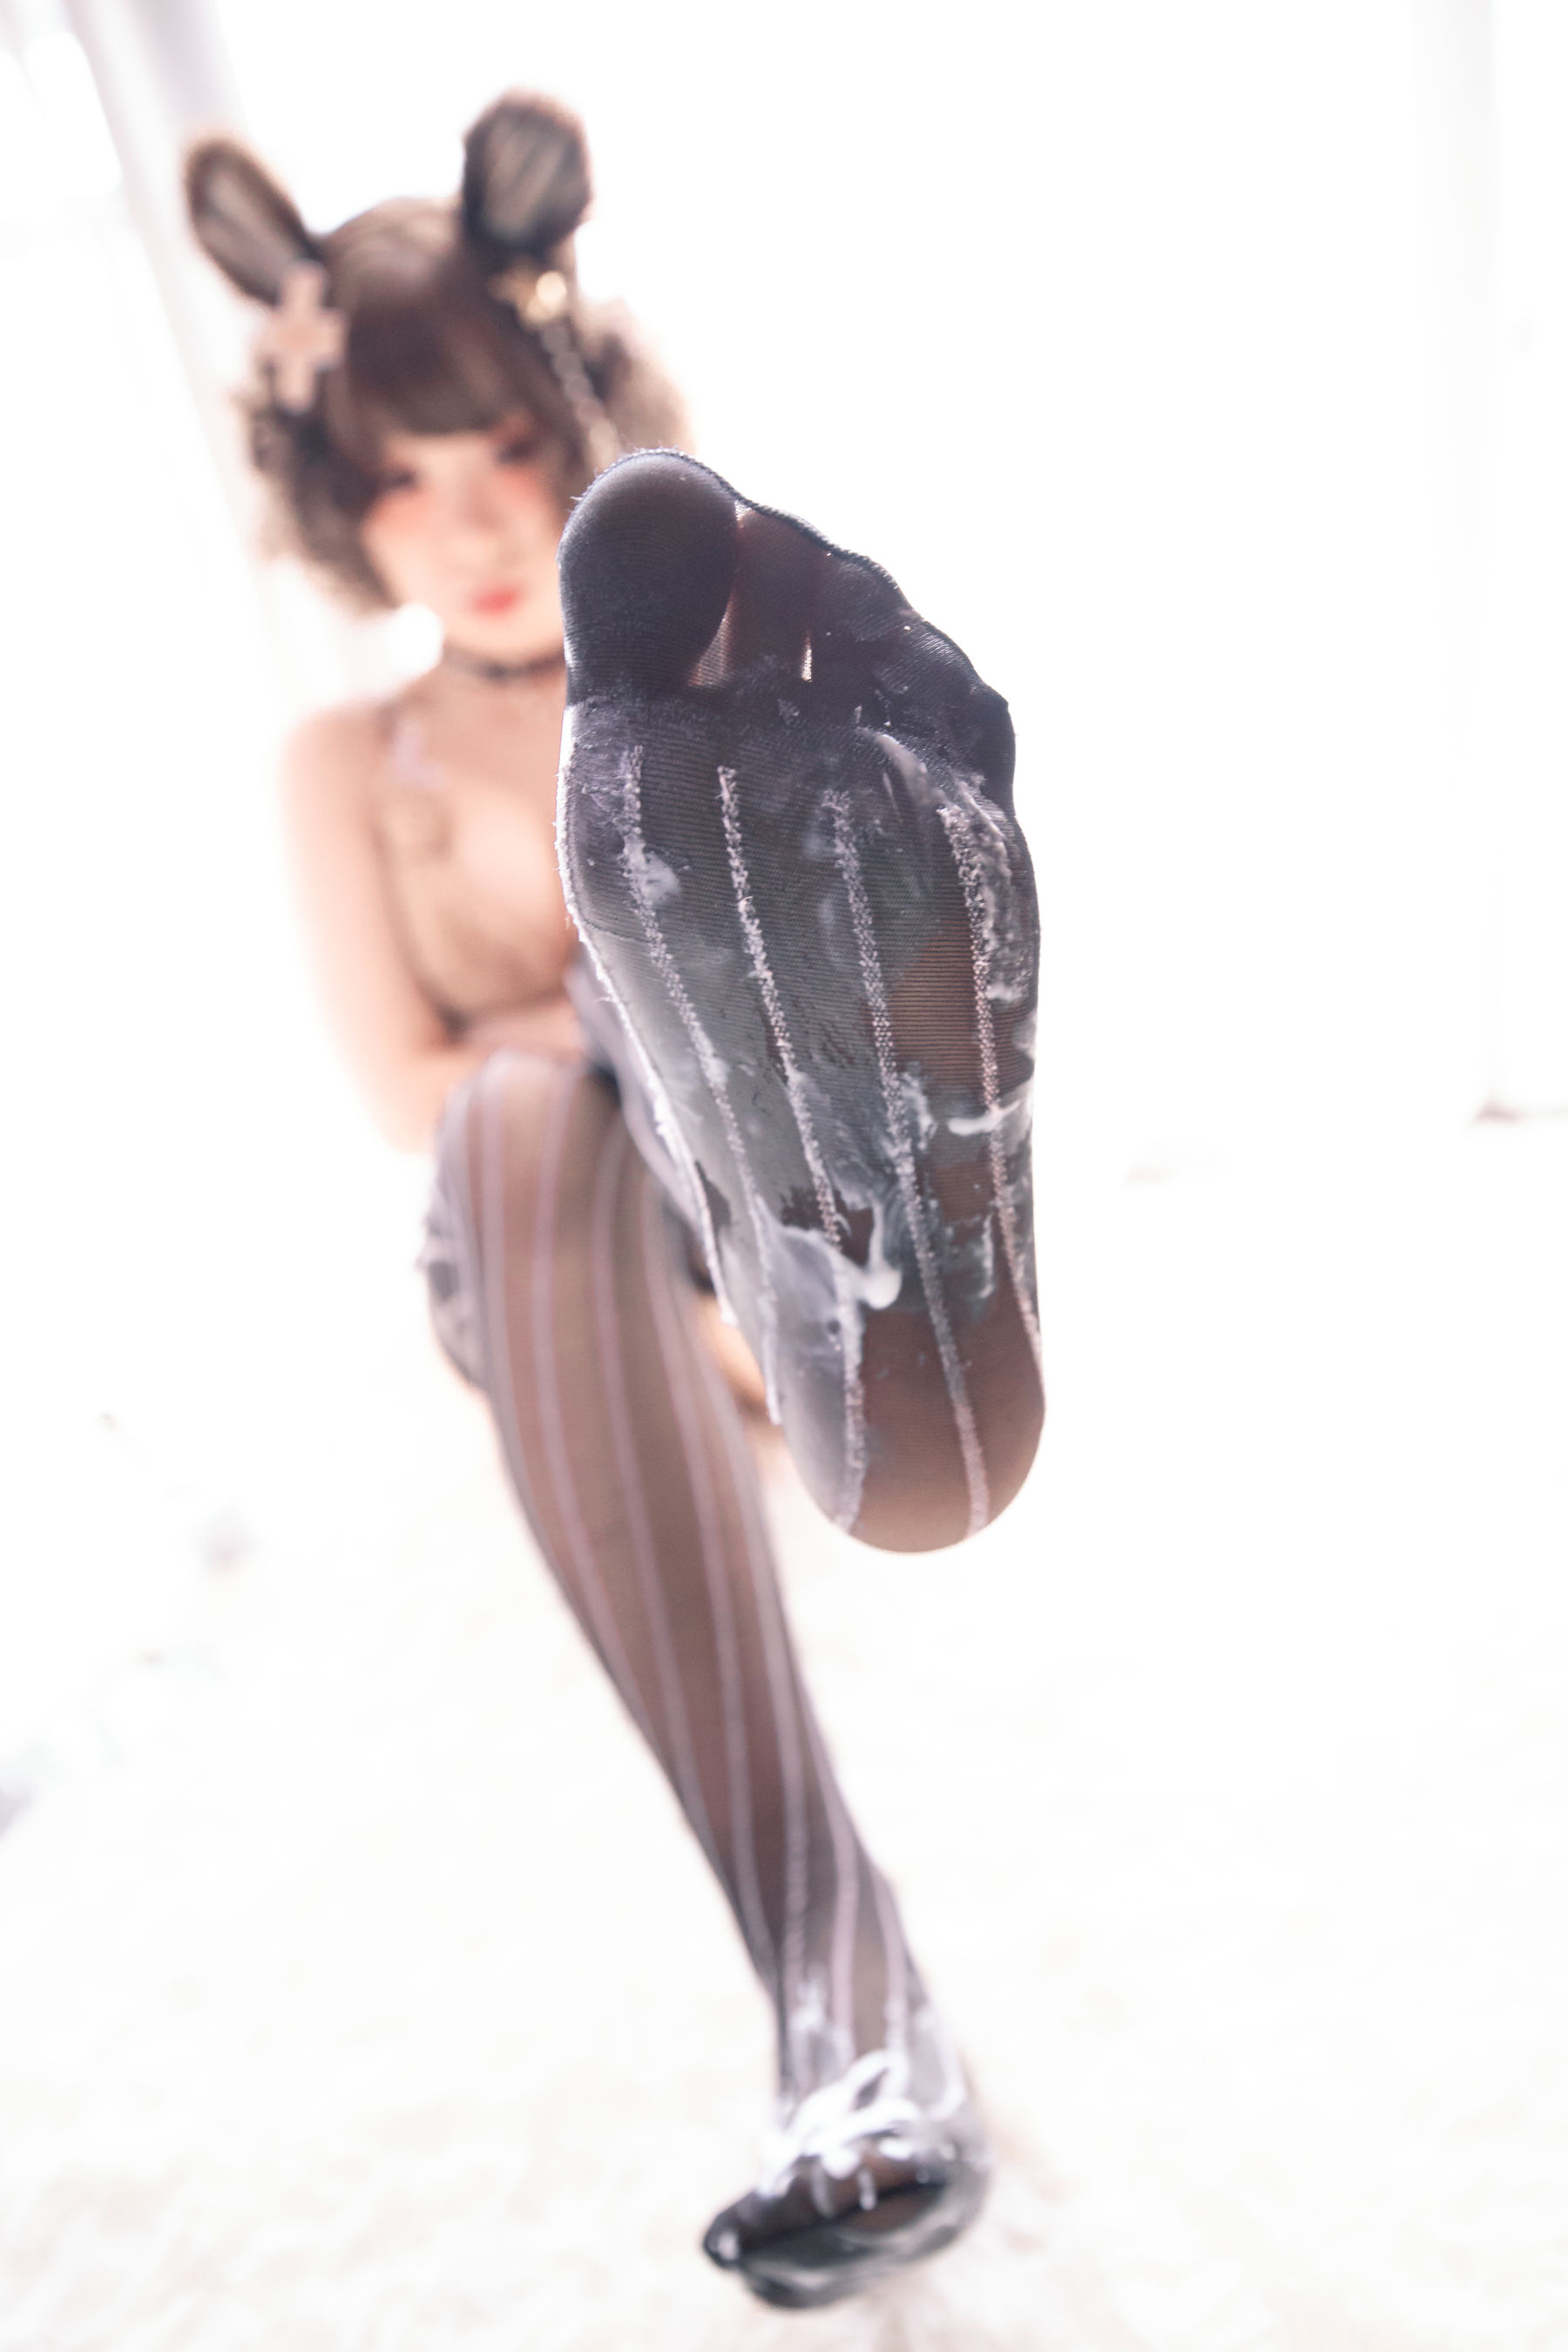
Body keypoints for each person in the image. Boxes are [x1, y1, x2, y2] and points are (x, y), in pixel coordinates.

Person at [186, 91, 1044, 2312]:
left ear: (580, 424)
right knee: (507, 1117)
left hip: (720, 1218)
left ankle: (838, 1217)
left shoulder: (711, 697)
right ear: (335, 506)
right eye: (406, 480)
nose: (477, 526)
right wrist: (601, 1027)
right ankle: (843, 1975)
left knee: (632, 1066)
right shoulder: (344, 767)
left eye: (504, 454)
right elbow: (397, 1085)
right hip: (554, 1251)